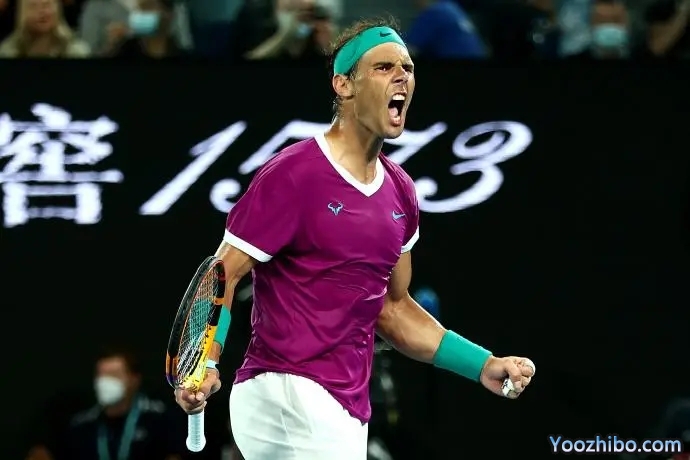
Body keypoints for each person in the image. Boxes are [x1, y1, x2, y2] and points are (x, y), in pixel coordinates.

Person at [174, 17, 536, 459]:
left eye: (407, 67)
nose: (402, 76)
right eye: (384, 67)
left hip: (345, 408)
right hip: (282, 392)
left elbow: (394, 309)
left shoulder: (401, 192)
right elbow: (221, 275)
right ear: (343, 85)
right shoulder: (293, 174)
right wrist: (206, 362)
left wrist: (482, 364)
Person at [28, 346, 185, 460]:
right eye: (101, 375)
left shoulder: (159, 420)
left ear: (134, 379)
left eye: (113, 375)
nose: (105, 382)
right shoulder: (81, 426)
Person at [0, 0, 90, 58]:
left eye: (46, 5)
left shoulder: (76, 52)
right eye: (34, 6)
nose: (42, 12)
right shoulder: (8, 52)